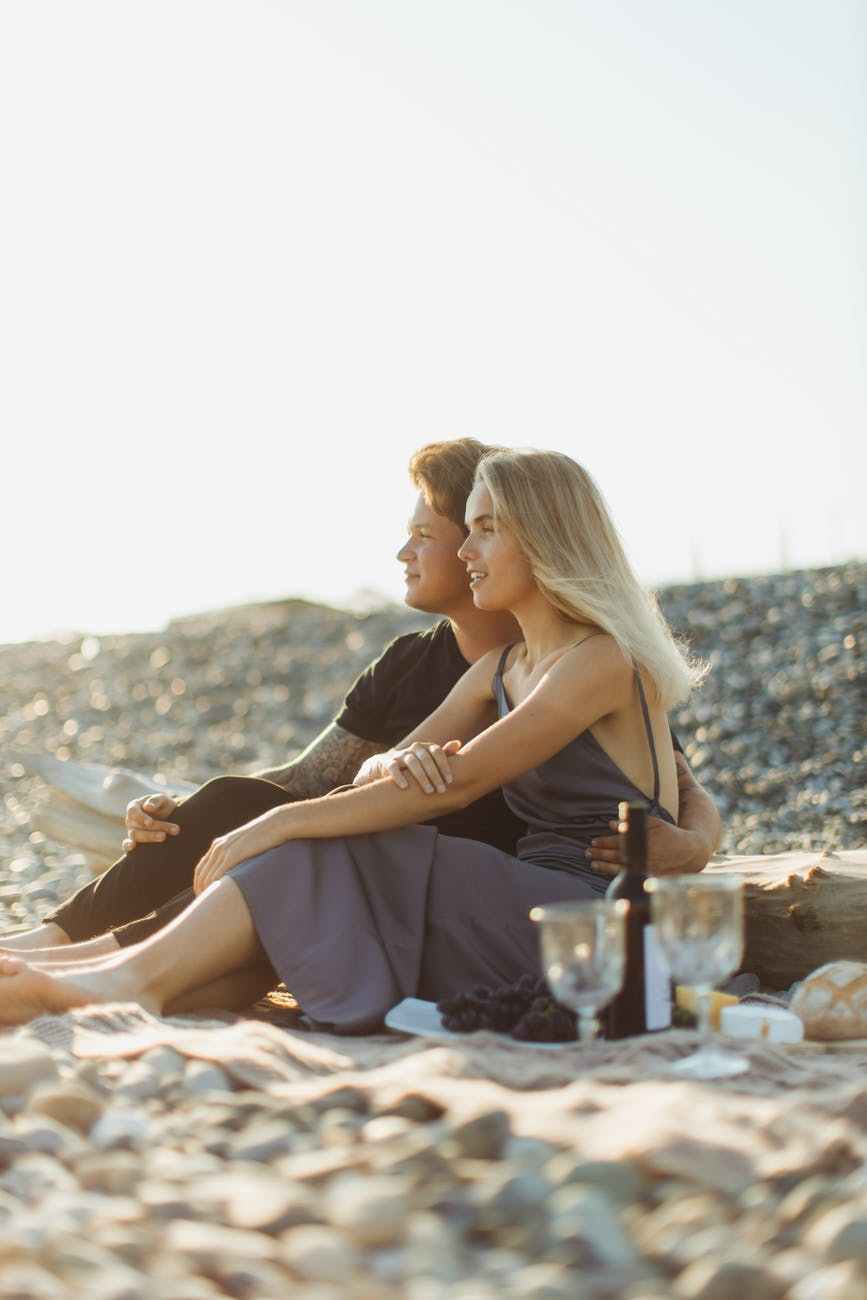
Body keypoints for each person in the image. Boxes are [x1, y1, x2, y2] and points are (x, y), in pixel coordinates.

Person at [1, 448, 712, 1028]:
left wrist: (279, 823)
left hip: (584, 920)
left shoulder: (599, 661)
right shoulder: (500, 668)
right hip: (510, 901)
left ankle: (116, 980)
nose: (466, 550)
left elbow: (457, 783)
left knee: (311, 842)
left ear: (545, 535)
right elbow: (380, 774)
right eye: (465, 528)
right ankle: (93, 976)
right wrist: (395, 766)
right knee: (293, 841)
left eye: (486, 528)